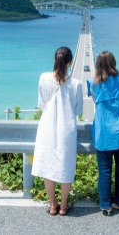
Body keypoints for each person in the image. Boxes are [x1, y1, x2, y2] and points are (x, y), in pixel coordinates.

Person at [31, 46, 83, 216]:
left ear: (55, 59)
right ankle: (63, 206)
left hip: (47, 127)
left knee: (48, 166)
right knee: (65, 166)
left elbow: (41, 104)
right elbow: (78, 110)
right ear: (70, 63)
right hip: (66, 129)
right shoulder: (76, 84)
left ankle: (53, 205)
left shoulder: (43, 78)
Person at [88, 50, 119, 215]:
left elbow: (95, 102)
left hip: (104, 133)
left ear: (97, 65)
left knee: (105, 170)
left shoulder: (94, 84)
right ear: (113, 62)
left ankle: (106, 205)